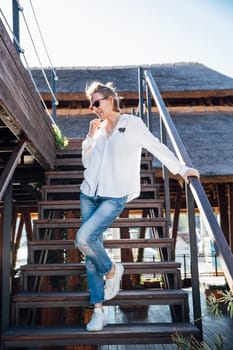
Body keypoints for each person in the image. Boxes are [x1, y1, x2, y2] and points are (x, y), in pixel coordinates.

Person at [75, 81, 199, 332]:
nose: (93, 107)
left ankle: (112, 270)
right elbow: (87, 163)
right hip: (88, 193)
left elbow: (156, 146)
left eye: (96, 102)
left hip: (114, 195)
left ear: (110, 99)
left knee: (84, 238)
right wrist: (89, 137)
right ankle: (99, 311)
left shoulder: (132, 124)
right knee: (90, 250)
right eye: (90, 105)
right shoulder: (97, 130)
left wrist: (181, 169)